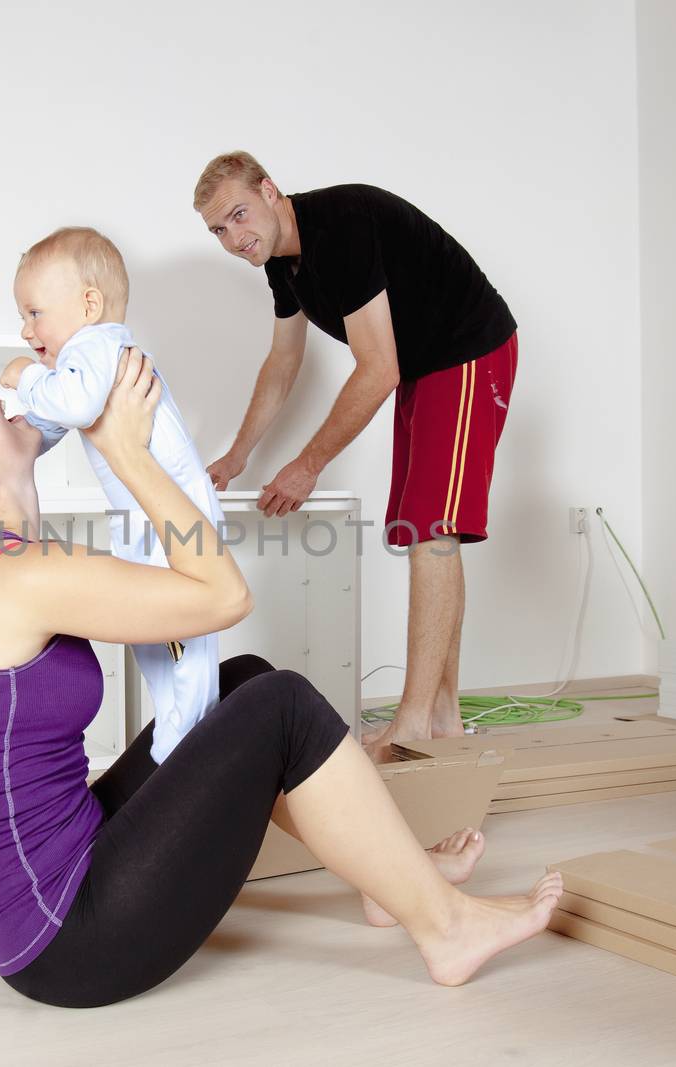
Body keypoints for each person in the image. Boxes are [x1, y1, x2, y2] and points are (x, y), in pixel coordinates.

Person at [0, 349, 562, 1008]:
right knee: (281, 707)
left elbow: (189, 600)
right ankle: (445, 928)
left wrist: (97, 414)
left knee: (241, 681)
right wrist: (133, 457)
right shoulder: (12, 576)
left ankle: (390, 885)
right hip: (70, 941)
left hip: (55, 903)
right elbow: (223, 595)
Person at [193, 152, 519, 755]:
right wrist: (238, 454)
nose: (235, 238)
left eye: (239, 215)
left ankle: (416, 721)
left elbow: (378, 369)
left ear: (270, 191)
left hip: (468, 350)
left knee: (433, 532)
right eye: (218, 230)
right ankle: (441, 716)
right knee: (424, 528)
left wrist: (307, 465)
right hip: (427, 366)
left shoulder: (338, 226)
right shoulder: (282, 265)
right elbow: (283, 362)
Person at [0, 226, 222, 764]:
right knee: (148, 626)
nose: (26, 330)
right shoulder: (86, 360)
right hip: (143, 511)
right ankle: (174, 723)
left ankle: (192, 733)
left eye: (34, 313)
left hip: (171, 508)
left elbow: (73, 407)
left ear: (89, 304)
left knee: (185, 632)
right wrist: (20, 429)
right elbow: (60, 419)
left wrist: (26, 377)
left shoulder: (96, 343)